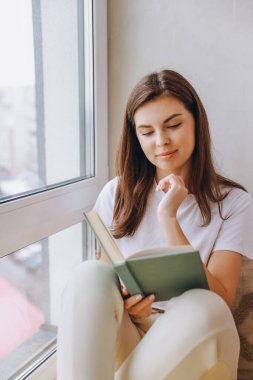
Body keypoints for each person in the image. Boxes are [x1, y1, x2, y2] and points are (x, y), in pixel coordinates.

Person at [57, 69, 253, 380]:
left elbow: (222, 300)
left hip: (200, 341)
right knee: (89, 275)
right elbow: (107, 280)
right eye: (147, 132)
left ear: (196, 123)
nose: (161, 141)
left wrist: (169, 217)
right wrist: (128, 299)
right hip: (132, 334)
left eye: (173, 125)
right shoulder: (116, 193)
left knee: (203, 306)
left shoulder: (234, 203)